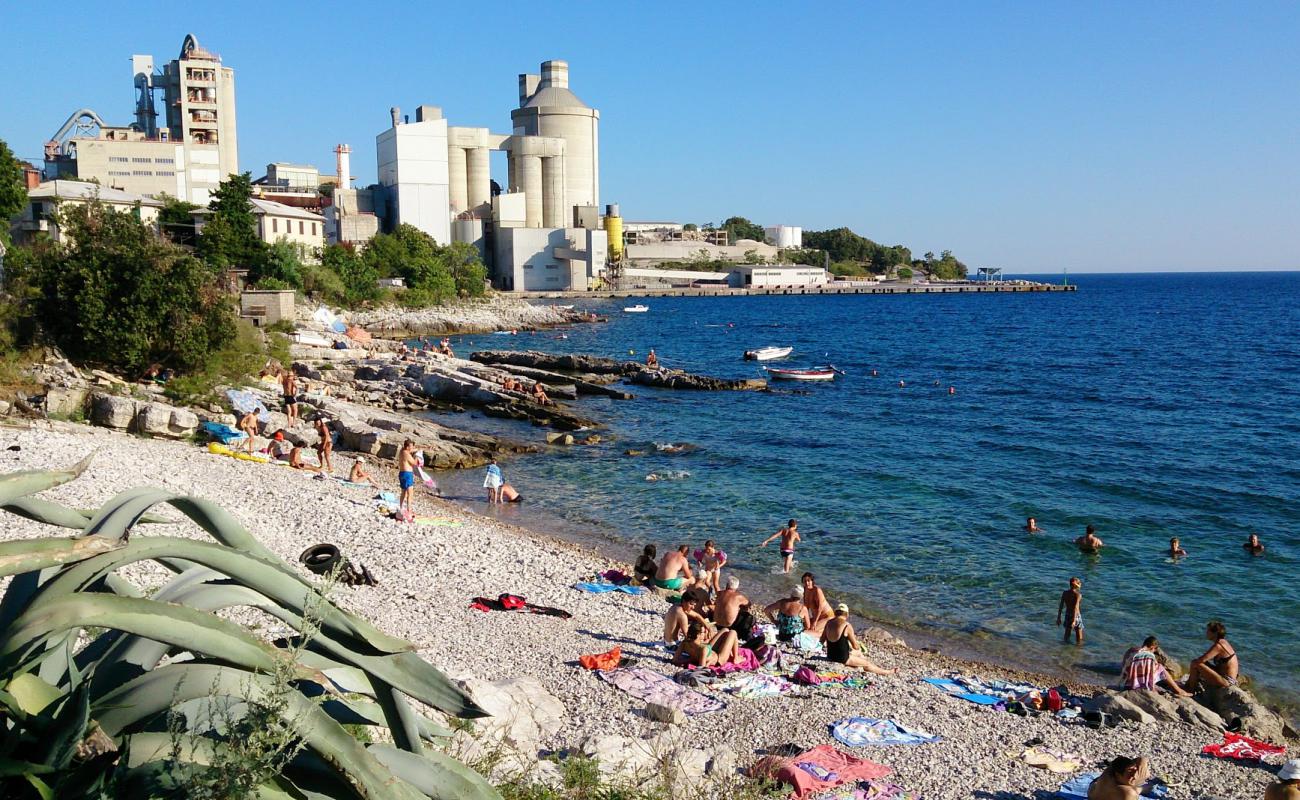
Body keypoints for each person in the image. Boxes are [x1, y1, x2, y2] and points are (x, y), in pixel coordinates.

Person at [821, 604, 897, 675]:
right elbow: (855, 646)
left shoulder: (828, 623)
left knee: (858, 654)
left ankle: (863, 660)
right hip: (842, 659)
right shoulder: (846, 625)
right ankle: (887, 672)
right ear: (847, 614)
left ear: (835, 613)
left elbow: (822, 640)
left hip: (830, 655)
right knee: (867, 664)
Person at [1121, 636, 1191, 696]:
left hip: (1128, 681)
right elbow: (1150, 671)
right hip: (1139, 684)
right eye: (1154, 650)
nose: (1154, 652)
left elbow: (1124, 665)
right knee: (1160, 667)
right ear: (1152, 647)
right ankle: (1179, 690)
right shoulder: (1149, 656)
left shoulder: (1131, 650)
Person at [1183, 620, 1239, 691]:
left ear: (1215, 633)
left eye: (1208, 631)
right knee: (1201, 663)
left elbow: (1201, 660)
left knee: (1195, 663)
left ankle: (1190, 689)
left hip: (1227, 681)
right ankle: (1189, 685)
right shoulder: (1223, 642)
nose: (1206, 633)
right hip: (1224, 676)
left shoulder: (1219, 646)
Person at [675, 621, 739, 668]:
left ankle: (731, 652)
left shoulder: (684, 643)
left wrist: (690, 659)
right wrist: (709, 662)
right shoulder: (704, 649)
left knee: (725, 630)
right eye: (703, 632)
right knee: (733, 632)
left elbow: (675, 660)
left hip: (709, 650)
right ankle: (736, 658)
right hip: (719, 658)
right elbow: (701, 668)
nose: (706, 634)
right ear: (698, 635)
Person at [1057, 577, 1084, 645]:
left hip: (1068, 615)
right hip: (1076, 616)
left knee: (1066, 636)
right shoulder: (1078, 595)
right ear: (1077, 585)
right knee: (1079, 639)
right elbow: (1075, 607)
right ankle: (1078, 652)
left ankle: (1064, 650)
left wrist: (1059, 617)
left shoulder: (1065, 593)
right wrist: (1074, 621)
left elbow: (1061, 605)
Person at [397, 440, 418, 518]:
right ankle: (409, 510)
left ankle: (401, 508)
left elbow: (412, 450)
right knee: (410, 493)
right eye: (411, 446)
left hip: (402, 473)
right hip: (407, 474)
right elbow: (414, 463)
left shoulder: (402, 451)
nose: (412, 447)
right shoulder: (407, 454)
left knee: (403, 492)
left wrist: (424, 448)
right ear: (408, 447)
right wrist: (417, 456)